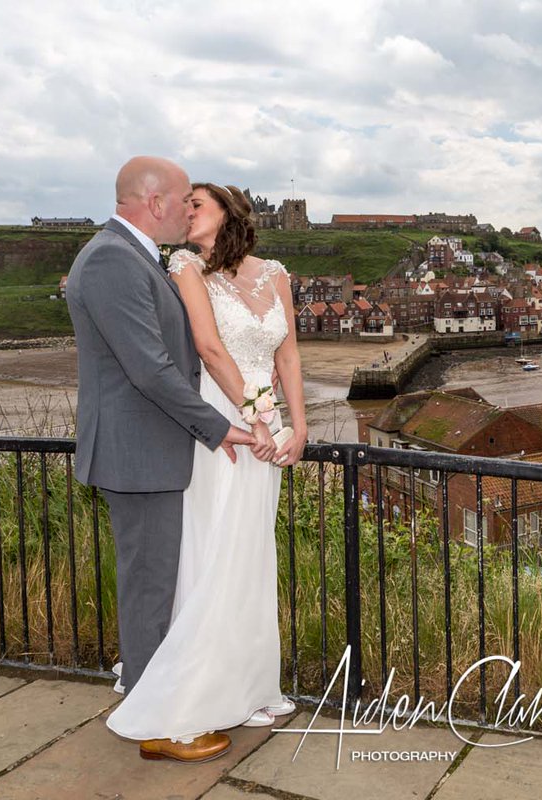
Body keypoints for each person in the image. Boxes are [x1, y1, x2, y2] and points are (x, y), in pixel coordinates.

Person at [66, 157, 259, 763]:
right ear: (153, 202)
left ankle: (160, 708)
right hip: (136, 455)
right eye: (181, 201)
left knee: (154, 586)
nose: (186, 210)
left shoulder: (128, 256)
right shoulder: (110, 259)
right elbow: (149, 367)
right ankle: (158, 727)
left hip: (144, 451)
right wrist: (218, 426)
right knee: (150, 591)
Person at [104, 181, 309, 749]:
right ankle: (199, 691)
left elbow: (287, 351)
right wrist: (254, 418)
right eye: (184, 204)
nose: (186, 212)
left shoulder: (275, 274)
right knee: (216, 547)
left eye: (197, 204)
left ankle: (248, 683)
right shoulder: (186, 269)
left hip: (267, 418)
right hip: (223, 418)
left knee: (251, 551)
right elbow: (210, 349)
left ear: (228, 212)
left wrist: (301, 422)